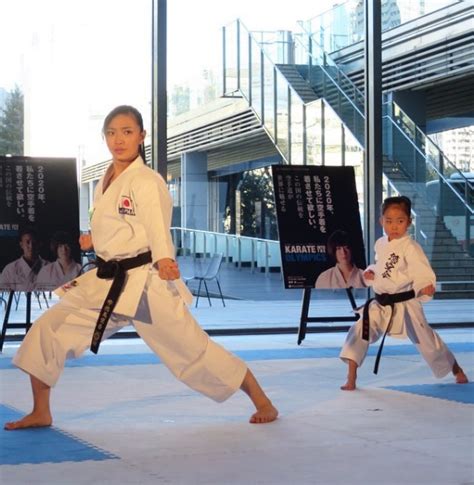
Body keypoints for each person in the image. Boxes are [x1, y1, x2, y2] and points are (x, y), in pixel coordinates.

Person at [4, 105, 278, 431]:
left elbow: (156, 225)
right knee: (48, 328)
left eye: (127, 132)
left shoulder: (147, 181)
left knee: (191, 348)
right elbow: (119, 226)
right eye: (111, 133)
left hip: (146, 283)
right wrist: (93, 241)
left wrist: (164, 258)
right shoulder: (108, 177)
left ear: (141, 136)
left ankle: (263, 400)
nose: (118, 140)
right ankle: (41, 411)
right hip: (106, 280)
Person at [339, 195, 469, 390]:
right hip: (381, 303)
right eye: (389, 221)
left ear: (409, 222)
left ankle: (456, 368)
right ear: (381, 221)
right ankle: (351, 378)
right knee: (359, 330)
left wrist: (425, 286)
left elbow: (422, 271)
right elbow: (380, 266)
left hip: (406, 303)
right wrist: (371, 272)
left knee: (427, 341)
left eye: (400, 221)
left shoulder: (411, 247)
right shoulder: (381, 243)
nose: (394, 226)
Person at [0, 226, 48, 292]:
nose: (31, 246)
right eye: (27, 242)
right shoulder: (9, 269)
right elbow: (2, 296)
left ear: (40, 244)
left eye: (34, 242)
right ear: (21, 244)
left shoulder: (50, 267)